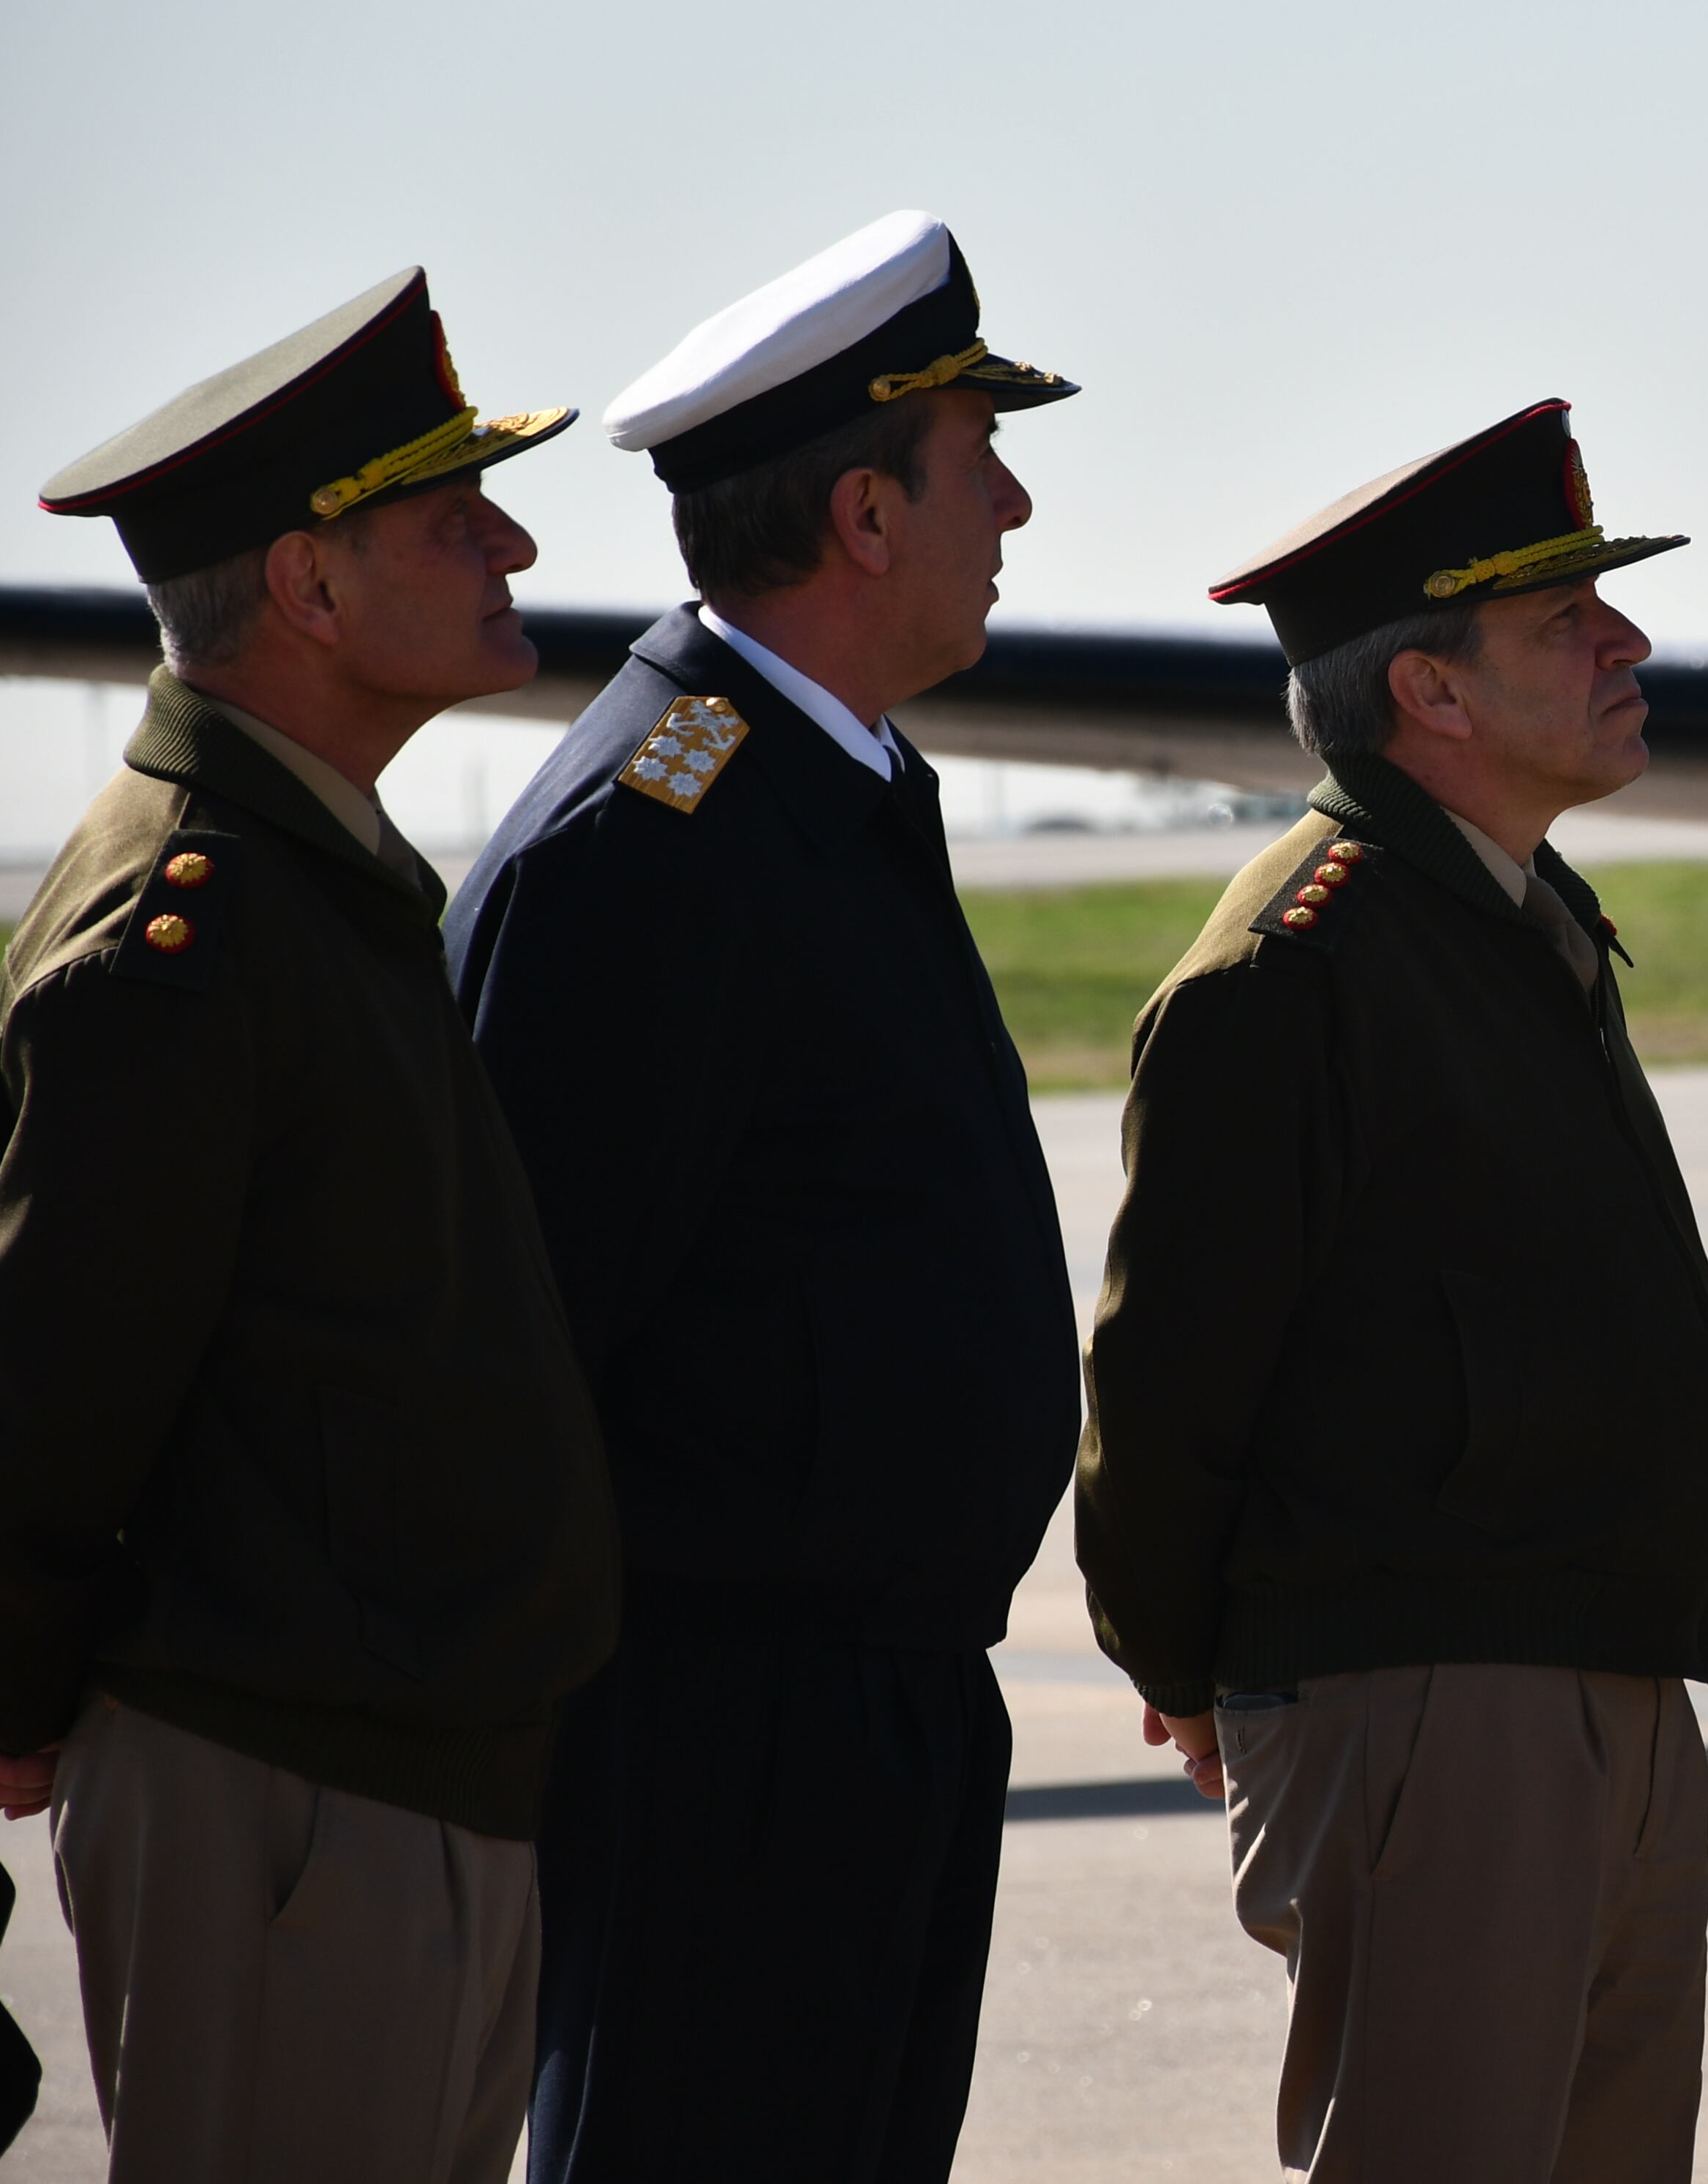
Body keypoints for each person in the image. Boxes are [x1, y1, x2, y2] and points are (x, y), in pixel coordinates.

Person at [441, 212, 1083, 2184]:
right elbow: (518, 1352)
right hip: (716, 1737)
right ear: (868, 515)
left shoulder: (821, 784)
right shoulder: (652, 836)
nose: (1018, 505)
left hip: (871, 1705)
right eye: (981, 460)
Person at [0, 271, 620, 2180]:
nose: (514, 545)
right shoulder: (188, 925)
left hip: (390, 1778)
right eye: (452, 516)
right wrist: (15, 1692)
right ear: (309, 585)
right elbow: (53, 1388)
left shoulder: (306, 872)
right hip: (289, 1792)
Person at [1075, 397, 1708, 2184]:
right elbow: (1167, 1385)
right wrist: (1185, 1663)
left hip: (1598, 1679)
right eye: (1563, 620)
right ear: (1429, 690)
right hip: (1431, 1703)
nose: (1627, 641)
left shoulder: (1510, 915)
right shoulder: (1295, 966)